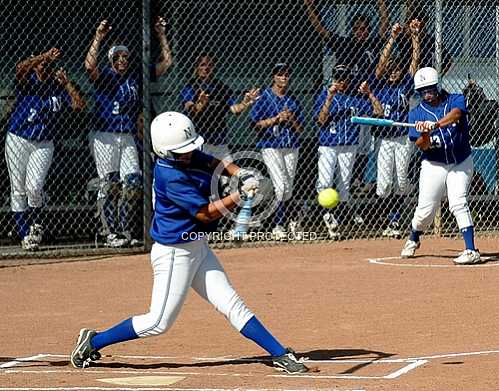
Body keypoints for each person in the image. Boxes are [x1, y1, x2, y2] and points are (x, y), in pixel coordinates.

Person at [70, 111, 310, 375]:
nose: (189, 153)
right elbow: (205, 213)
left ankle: (279, 353)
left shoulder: (185, 155)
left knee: (231, 303)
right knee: (158, 322)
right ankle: (93, 341)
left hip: (196, 246)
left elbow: (211, 162)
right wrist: (238, 196)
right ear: (165, 151)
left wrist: (240, 173)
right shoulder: (169, 175)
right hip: (175, 253)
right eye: (182, 151)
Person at [85, 18, 172, 248]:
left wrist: (161, 35)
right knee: (110, 183)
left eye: (125, 57)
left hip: (128, 135)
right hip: (104, 135)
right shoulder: (105, 75)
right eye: (118, 57)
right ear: (111, 59)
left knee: (132, 183)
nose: (122, 60)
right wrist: (98, 37)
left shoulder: (136, 76)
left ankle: (125, 230)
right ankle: (109, 232)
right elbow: (89, 67)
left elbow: (166, 63)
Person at [304, 0, 389, 197]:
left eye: (365, 29)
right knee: (346, 143)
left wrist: (382, 5)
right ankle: (350, 184)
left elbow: (384, 29)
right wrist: (309, 7)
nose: (362, 32)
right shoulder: (345, 44)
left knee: (364, 144)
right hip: (345, 97)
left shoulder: (372, 44)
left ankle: (357, 179)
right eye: (358, 29)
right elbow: (322, 31)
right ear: (353, 30)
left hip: (364, 96)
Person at [5, 48, 85, 250]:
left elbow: (79, 105)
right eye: (41, 64)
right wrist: (42, 57)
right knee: (18, 189)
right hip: (18, 139)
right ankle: (25, 235)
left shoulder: (57, 87)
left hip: (44, 142)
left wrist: (66, 83)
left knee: (34, 187)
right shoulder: (27, 82)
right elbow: (20, 69)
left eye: (47, 65)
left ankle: (36, 225)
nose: (43, 67)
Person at [400, 67, 481, 265]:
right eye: (423, 91)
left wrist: (435, 125)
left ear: (437, 86)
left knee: (458, 201)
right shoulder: (416, 113)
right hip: (434, 163)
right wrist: (424, 133)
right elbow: (422, 145)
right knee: (425, 212)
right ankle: (414, 237)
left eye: (431, 89)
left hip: (461, 160)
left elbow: (456, 115)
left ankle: (471, 250)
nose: (428, 94)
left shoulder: (455, 99)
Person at [313, 64, 383, 239]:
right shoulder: (324, 95)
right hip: (328, 144)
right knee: (325, 181)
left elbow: (378, 113)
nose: (341, 81)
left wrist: (368, 94)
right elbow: (320, 121)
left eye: (344, 77)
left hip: (349, 145)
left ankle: (338, 218)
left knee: (344, 185)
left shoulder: (355, 99)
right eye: (338, 77)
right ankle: (327, 214)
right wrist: (329, 97)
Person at [370, 20, 421, 238]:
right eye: (390, 68)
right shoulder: (380, 85)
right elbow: (380, 66)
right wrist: (392, 36)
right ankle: (388, 214)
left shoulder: (404, 86)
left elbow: (414, 62)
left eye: (396, 68)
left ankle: (395, 220)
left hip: (402, 138)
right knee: (383, 187)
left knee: (401, 180)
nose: (392, 72)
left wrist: (415, 36)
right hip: (384, 139)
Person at [250, 63, 304, 240]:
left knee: (287, 188)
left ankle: (287, 221)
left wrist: (291, 118)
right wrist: (276, 119)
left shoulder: (292, 99)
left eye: (287, 74)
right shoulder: (264, 97)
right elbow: (254, 125)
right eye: (280, 74)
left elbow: (300, 129)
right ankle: (277, 225)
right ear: (274, 76)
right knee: (281, 187)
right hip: (271, 146)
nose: (284, 77)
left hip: (291, 146)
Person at [181, 53, 260, 160]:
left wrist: (245, 103)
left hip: (220, 141)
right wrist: (200, 104)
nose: (206, 68)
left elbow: (234, 110)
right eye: (202, 65)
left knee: (226, 174)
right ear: (197, 67)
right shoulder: (191, 87)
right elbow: (190, 109)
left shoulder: (222, 87)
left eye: (209, 65)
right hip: (199, 141)